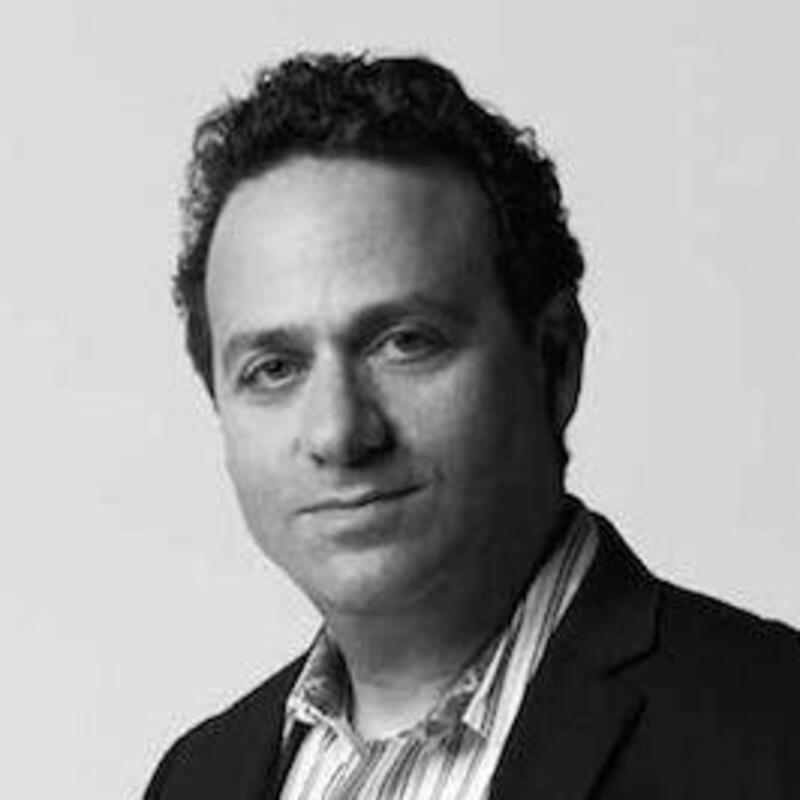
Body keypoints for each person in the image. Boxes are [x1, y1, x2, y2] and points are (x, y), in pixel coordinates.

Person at [144, 53, 800, 799]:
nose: (339, 433)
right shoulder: (197, 778)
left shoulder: (775, 729)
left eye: (404, 342)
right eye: (274, 369)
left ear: (554, 358)